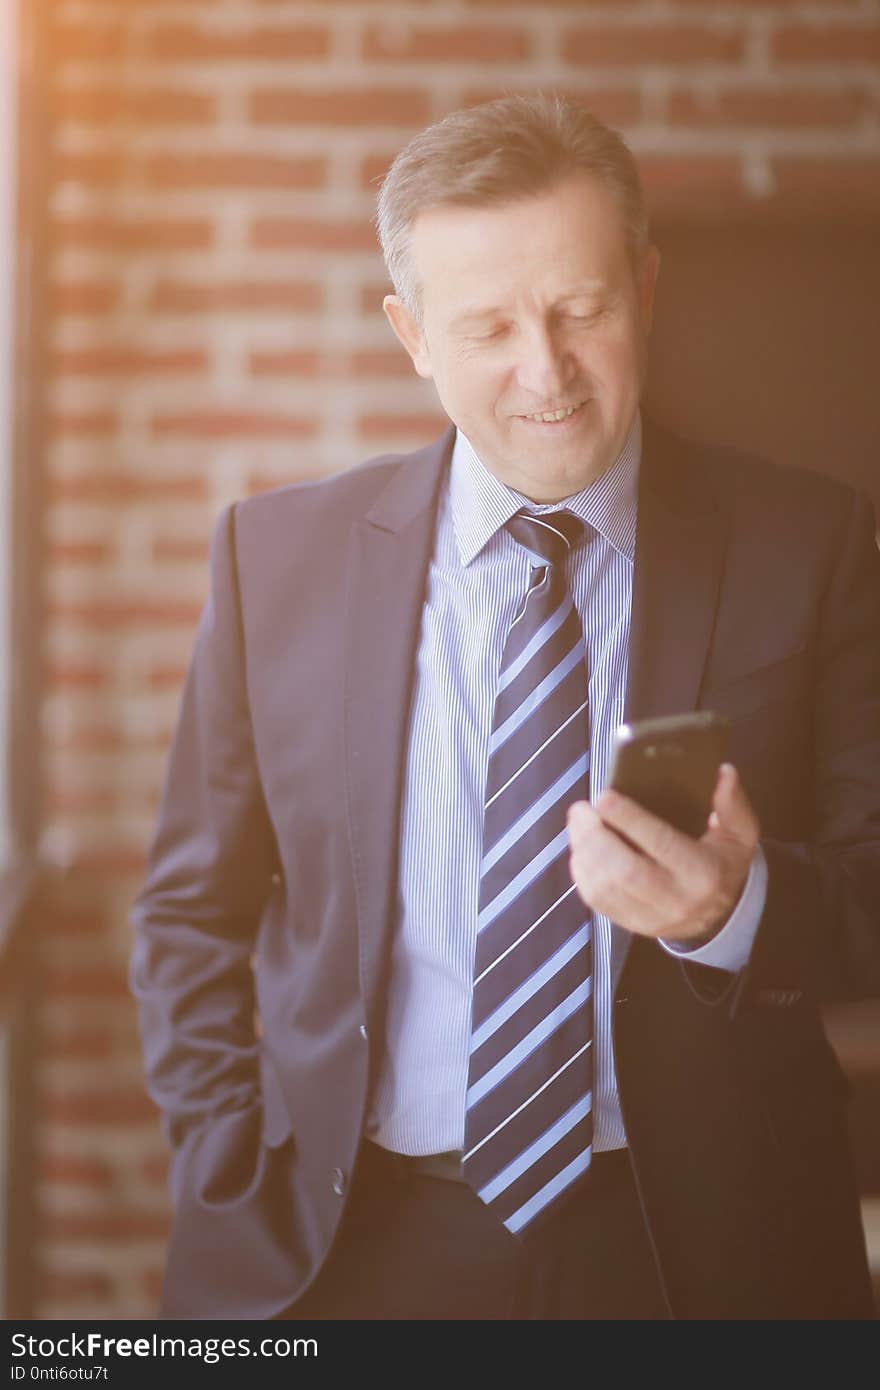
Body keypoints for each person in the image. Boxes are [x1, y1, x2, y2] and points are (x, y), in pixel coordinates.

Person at [129, 94, 880, 1321]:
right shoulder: (275, 560)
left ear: (644, 285)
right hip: (348, 1248)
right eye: (487, 326)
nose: (548, 372)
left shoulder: (812, 543)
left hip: (701, 1258)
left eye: (581, 309)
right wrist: (228, 1159)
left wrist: (736, 910)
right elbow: (188, 913)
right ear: (410, 334)